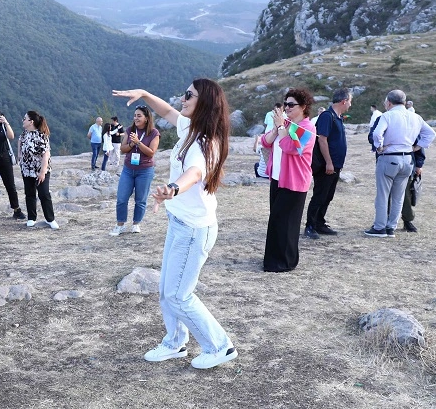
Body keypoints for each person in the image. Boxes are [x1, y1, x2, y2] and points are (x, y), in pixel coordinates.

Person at [114, 80, 238, 370]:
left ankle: (220, 346)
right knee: (166, 291)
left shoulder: (205, 143)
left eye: (189, 95)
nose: (183, 98)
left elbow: (194, 173)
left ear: (204, 102)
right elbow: (167, 111)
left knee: (179, 295)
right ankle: (175, 343)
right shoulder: (189, 127)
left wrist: (172, 189)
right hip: (180, 223)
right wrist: (145, 94)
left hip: (194, 230)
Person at [366, 90, 436, 237]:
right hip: (408, 159)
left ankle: (379, 227)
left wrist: (379, 146)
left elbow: (376, 134)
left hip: (389, 157)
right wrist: (417, 147)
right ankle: (391, 227)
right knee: (399, 197)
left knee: (383, 195)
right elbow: (431, 133)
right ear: (404, 102)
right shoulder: (416, 117)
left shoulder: (387, 116)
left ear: (389, 102)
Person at [261, 89, 316, 271]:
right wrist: (277, 128)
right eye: (285, 104)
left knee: (287, 223)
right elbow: (266, 142)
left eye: (291, 104)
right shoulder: (285, 124)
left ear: (303, 107)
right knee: (276, 220)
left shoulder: (307, 128)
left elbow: (292, 148)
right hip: (278, 179)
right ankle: (272, 260)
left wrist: (281, 128)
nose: (287, 107)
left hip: (294, 181)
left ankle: (285, 262)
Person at [304, 89, 352, 239]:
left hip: (336, 165)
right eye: (350, 101)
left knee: (328, 195)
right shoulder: (327, 116)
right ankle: (310, 226)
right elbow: (322, 139)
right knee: (320, 195)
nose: (350, 105)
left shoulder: (338, 118)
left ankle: (320, 223)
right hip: (326, 165)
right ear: (344, 101)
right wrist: (329, 162)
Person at [110, 106, 160, 236]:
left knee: (140, 199)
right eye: (135, 115)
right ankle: (120, 225)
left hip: (145, 171)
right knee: (122, 198)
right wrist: (131, 144)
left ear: (146, 118)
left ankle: (136, 224)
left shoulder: (154, 133)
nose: (136, 118)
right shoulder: (130, 130)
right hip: (128, 169)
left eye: (139, 116)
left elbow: (151, 152)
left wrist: (138, 142)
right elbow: (123, 149)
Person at [19, 111, 59, 229]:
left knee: (44, 194)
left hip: (40, 170)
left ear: (31, 122)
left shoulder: (41, 136)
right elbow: (19, 141)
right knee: (29, 193)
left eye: (25, 119)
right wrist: (19, 155)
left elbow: (46, 155)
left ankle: (50, 219)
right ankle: (31, 218)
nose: (23, 120)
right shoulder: (25, 133)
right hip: (27, 170)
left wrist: (42, 172)